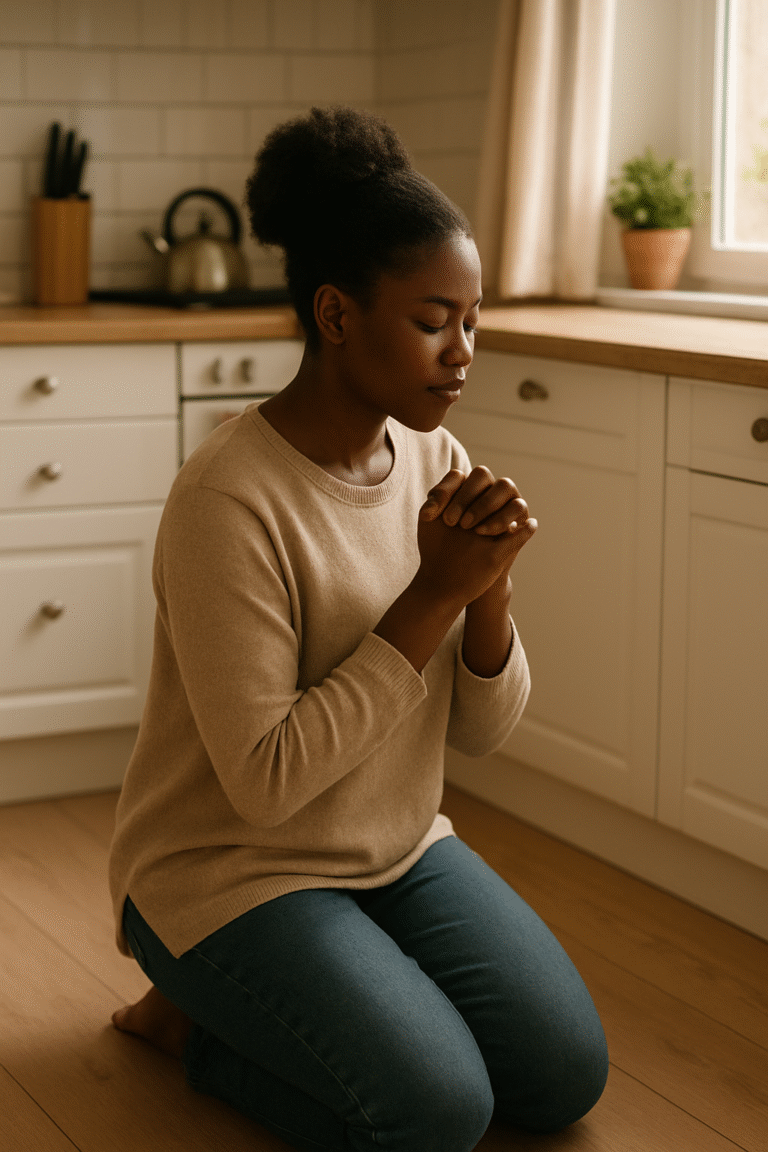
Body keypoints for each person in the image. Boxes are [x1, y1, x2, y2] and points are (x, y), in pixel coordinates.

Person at [109, 106, 608, 1152]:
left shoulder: (432, 458)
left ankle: (338, 977)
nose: (463, 352)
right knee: (439, 1115)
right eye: (435, 321)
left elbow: (479, 735)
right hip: (230, 870)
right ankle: (192, 1020)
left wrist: (491, 595)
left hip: (394, 848)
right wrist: (431, 597)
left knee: (563, 1077)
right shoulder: (226, 502)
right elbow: (266, 783)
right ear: (337, 316)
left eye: (473, 320)